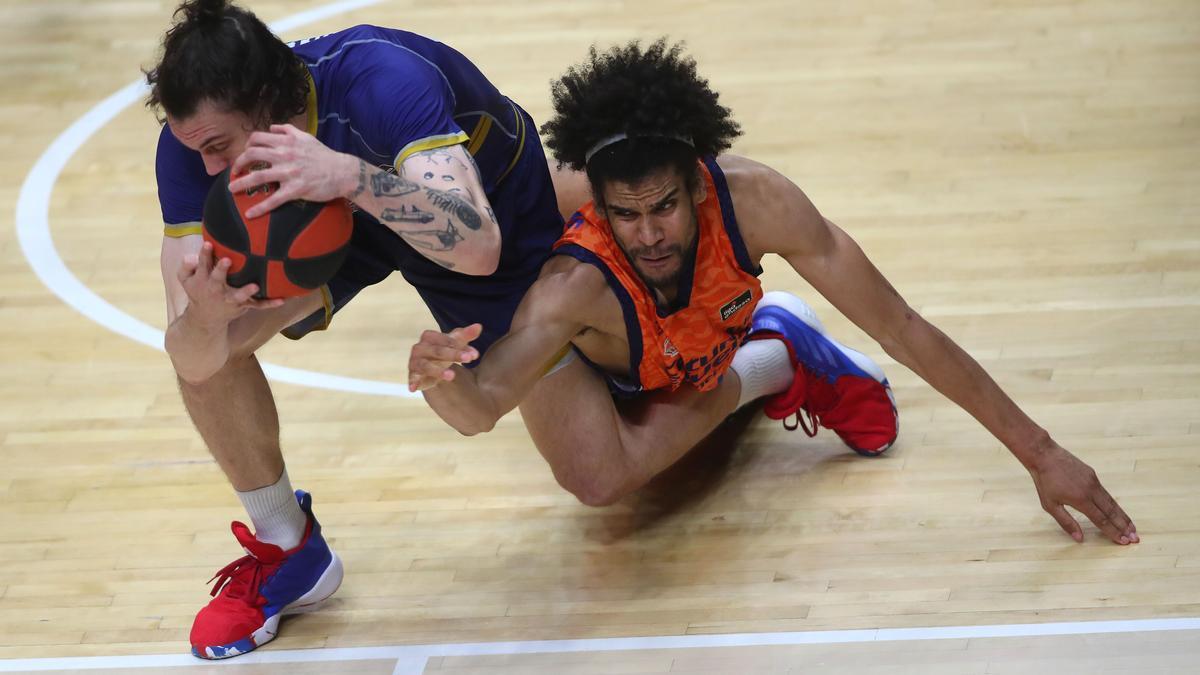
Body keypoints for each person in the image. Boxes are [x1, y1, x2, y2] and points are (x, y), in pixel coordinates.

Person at [408, 39, 1139, 555]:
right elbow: (484, 404)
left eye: (664, 206)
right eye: (625, 214)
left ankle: (776, 346)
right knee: (599, 482)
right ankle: (774, 355)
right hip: (607, 339)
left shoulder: (760, 202)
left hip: (687, 339)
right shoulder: (572, 281)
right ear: (599, 206)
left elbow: (903, 326)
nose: (649, 233)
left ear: (699, 179)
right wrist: (444, 382)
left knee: (658, 420)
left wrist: (1041, 453)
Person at [145, 0, 565, 659]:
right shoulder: (193, 150)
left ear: (268, 103)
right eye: (194, 147)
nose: (207, 169)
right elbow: (191, 355)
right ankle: (290, 547)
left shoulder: (381, 82)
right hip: (332, 230)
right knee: (216, 344)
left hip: (488, 202)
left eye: (219, 146)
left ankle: (749, 341)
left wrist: (346, 175)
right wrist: (208, 317)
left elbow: (478, 243)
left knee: (595, 463)